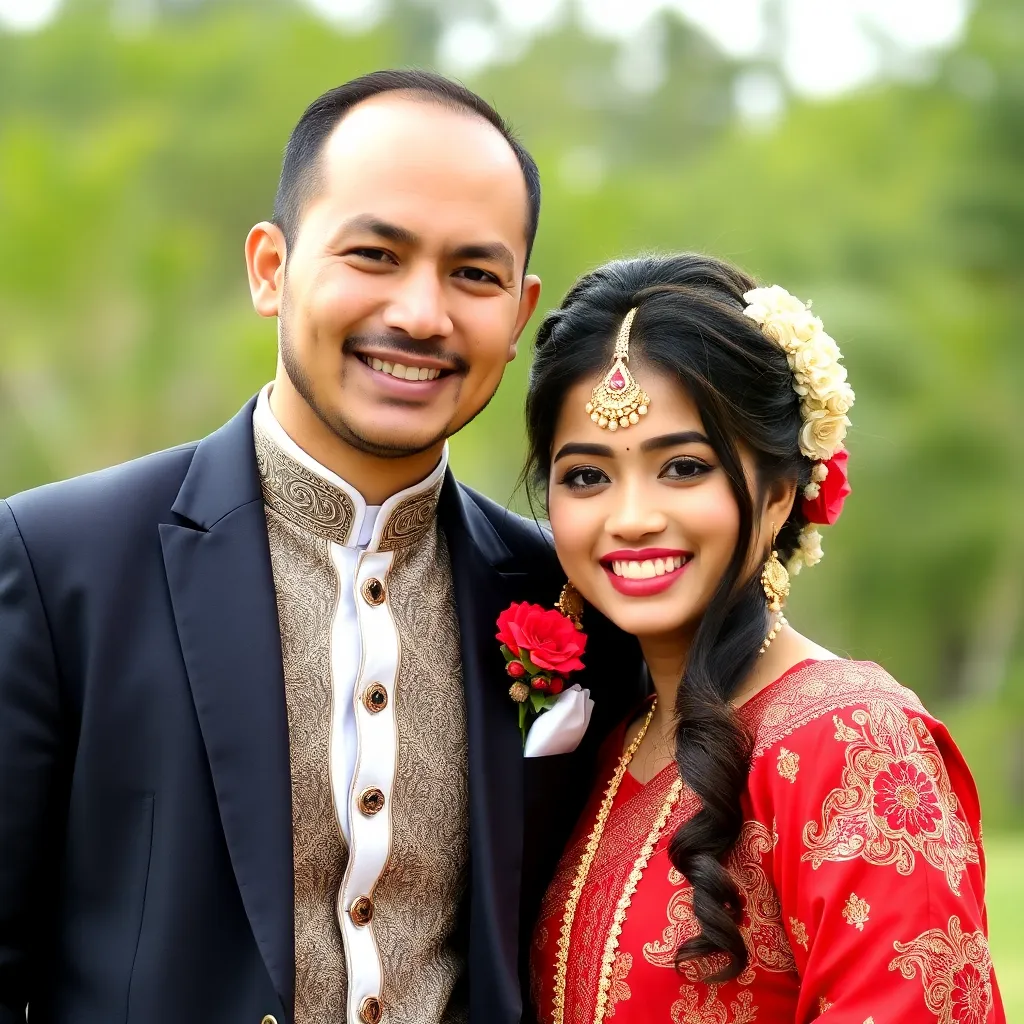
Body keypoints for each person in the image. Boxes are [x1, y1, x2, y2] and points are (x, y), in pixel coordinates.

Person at [0, 71, 640, 1024]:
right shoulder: (61, 563)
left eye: (474, 273)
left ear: (517, 311)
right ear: (270, 268)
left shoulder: (569, 592)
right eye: (376, 254)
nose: (423, 314)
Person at [525, 254, 1005, 1023]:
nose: (631, 516)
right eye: (586, 476)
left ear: (779, 492)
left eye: (682, 467)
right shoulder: (612, 739)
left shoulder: (857, 746)